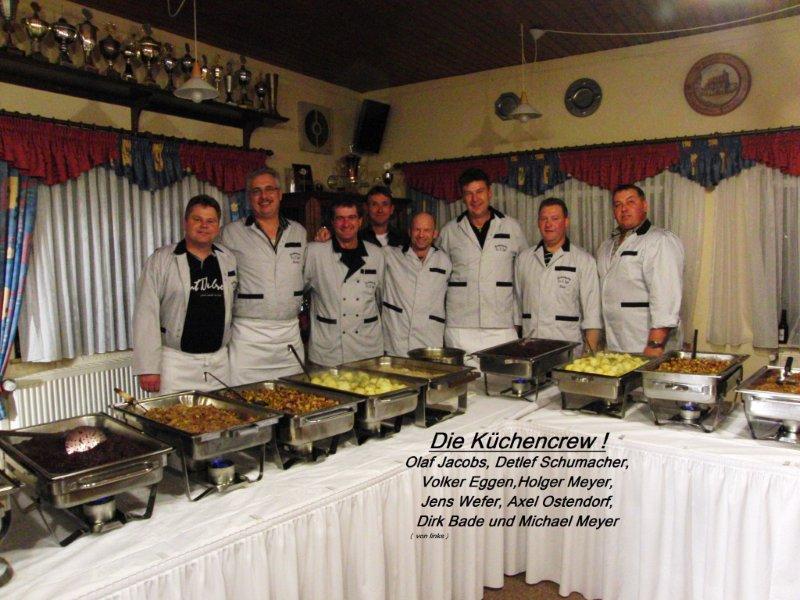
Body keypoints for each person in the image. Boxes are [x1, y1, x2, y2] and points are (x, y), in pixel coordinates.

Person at [132, 195, 237, 394]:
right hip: (176, 364)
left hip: (219, 363)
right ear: (185, 222)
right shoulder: (161, 260)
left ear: (217, 226)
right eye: (197, 219)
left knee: (221, 413)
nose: (204, 226)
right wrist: (148, 368)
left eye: (210, 221)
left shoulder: (228, 259)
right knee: (173, 414)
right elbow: (145, 314)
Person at [219, 167, 307, 383]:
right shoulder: (230, 233)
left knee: (293, 395)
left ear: (280, 194)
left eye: (269, 189)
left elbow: (308, 275)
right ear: (249, 197)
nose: (264, 196)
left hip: (289, 334)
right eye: (256, 191)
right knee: (245, 398)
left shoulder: (299, 232)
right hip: (248, 337)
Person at [436, 167, 529, 355]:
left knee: (501, 373)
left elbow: (523, 277)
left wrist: (518, 320)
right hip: (460, 326)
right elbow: (437, 280)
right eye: (469, 194)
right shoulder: (449, 231)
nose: (475, 199)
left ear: (489, 193)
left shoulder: (511, 227)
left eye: (479, 192)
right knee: (463, 374)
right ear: (463, 198)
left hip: (501, 324)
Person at [596, 184, 685, 356]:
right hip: (616, 343)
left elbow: (666, 295)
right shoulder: (606, 246)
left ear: (644, 206)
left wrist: (655, 344)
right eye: (618, 205)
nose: (624, 209)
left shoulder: (660, 241)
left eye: (630, 202)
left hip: (648, 344)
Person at [514, 198, 601, 354]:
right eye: (544, 219)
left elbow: (592, 315)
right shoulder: (524, 259)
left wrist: (588, 356)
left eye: (555, 219)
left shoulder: (584, 260)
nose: (548, 224)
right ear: (538, 222)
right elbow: (517, 309)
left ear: (566, 222)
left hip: (567, 350)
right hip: (531, 350)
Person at [305, 199, 385, 366]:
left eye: (351, 217)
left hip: (367, 347)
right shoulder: (314, 252)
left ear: (360, 221)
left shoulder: (376, 254)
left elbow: (382, 300)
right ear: (332, 222)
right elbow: (298, 292)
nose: (346, 223)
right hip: (328, 348)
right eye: (340, 218)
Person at [382, 212, 452, 356]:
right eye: (417, 229)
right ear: (410, 232)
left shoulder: (445, 261)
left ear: (435, 233)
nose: (421, 235)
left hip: (429, 340)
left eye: (426, 230)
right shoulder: (390, 256)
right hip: (396, 340)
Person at [315, 185, 410, 248]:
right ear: (366, 208)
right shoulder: (355, 237)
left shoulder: (404, 238)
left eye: (384, 204)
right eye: (374, 204)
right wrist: (324, 237)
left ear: (392, 209)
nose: (380, 210)